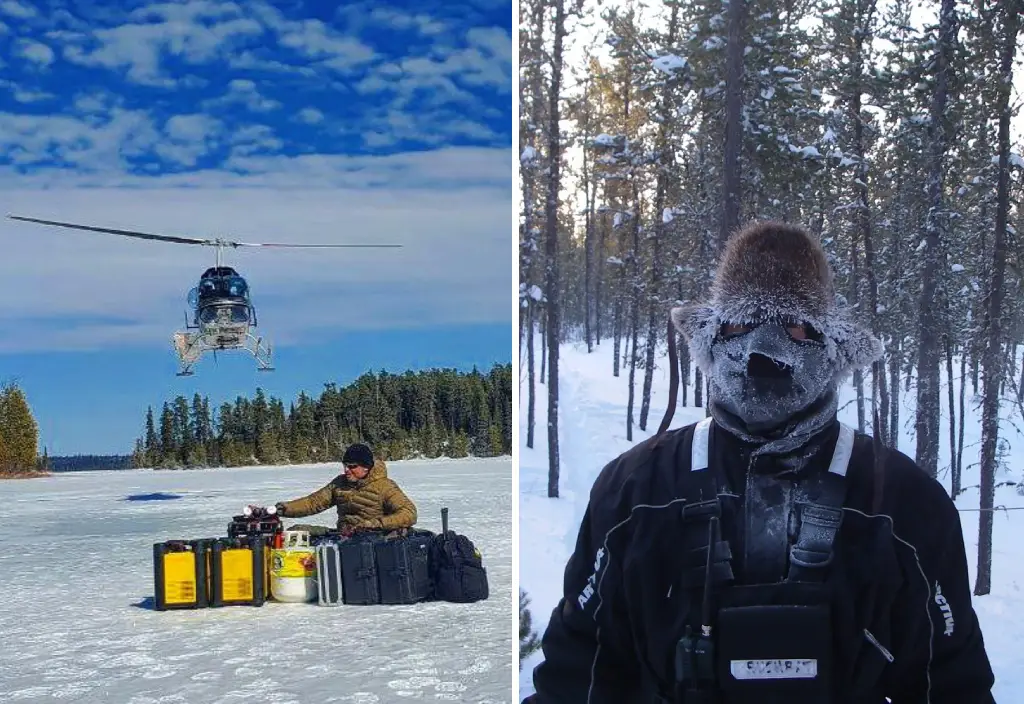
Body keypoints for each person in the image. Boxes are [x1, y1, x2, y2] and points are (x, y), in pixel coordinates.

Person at [525, 221, 995, 703]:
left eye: (795, 328)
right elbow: (577, 669)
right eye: (741, 325)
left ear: (835, 350)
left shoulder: (904, 502)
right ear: (709, 340)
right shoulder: (634, 490)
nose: (761, 354)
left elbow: (953, 681)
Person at [273, 442, 417, 537]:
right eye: (345, 466)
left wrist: (375, 524)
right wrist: (281, 509)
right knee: (295, 532)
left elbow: (409, 513)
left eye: (352, 466)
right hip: (343, 536)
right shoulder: (340, 483)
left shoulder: (385, 486)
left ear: (366, 467)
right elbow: (313, 503)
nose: (347, 470)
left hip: (373, 540)